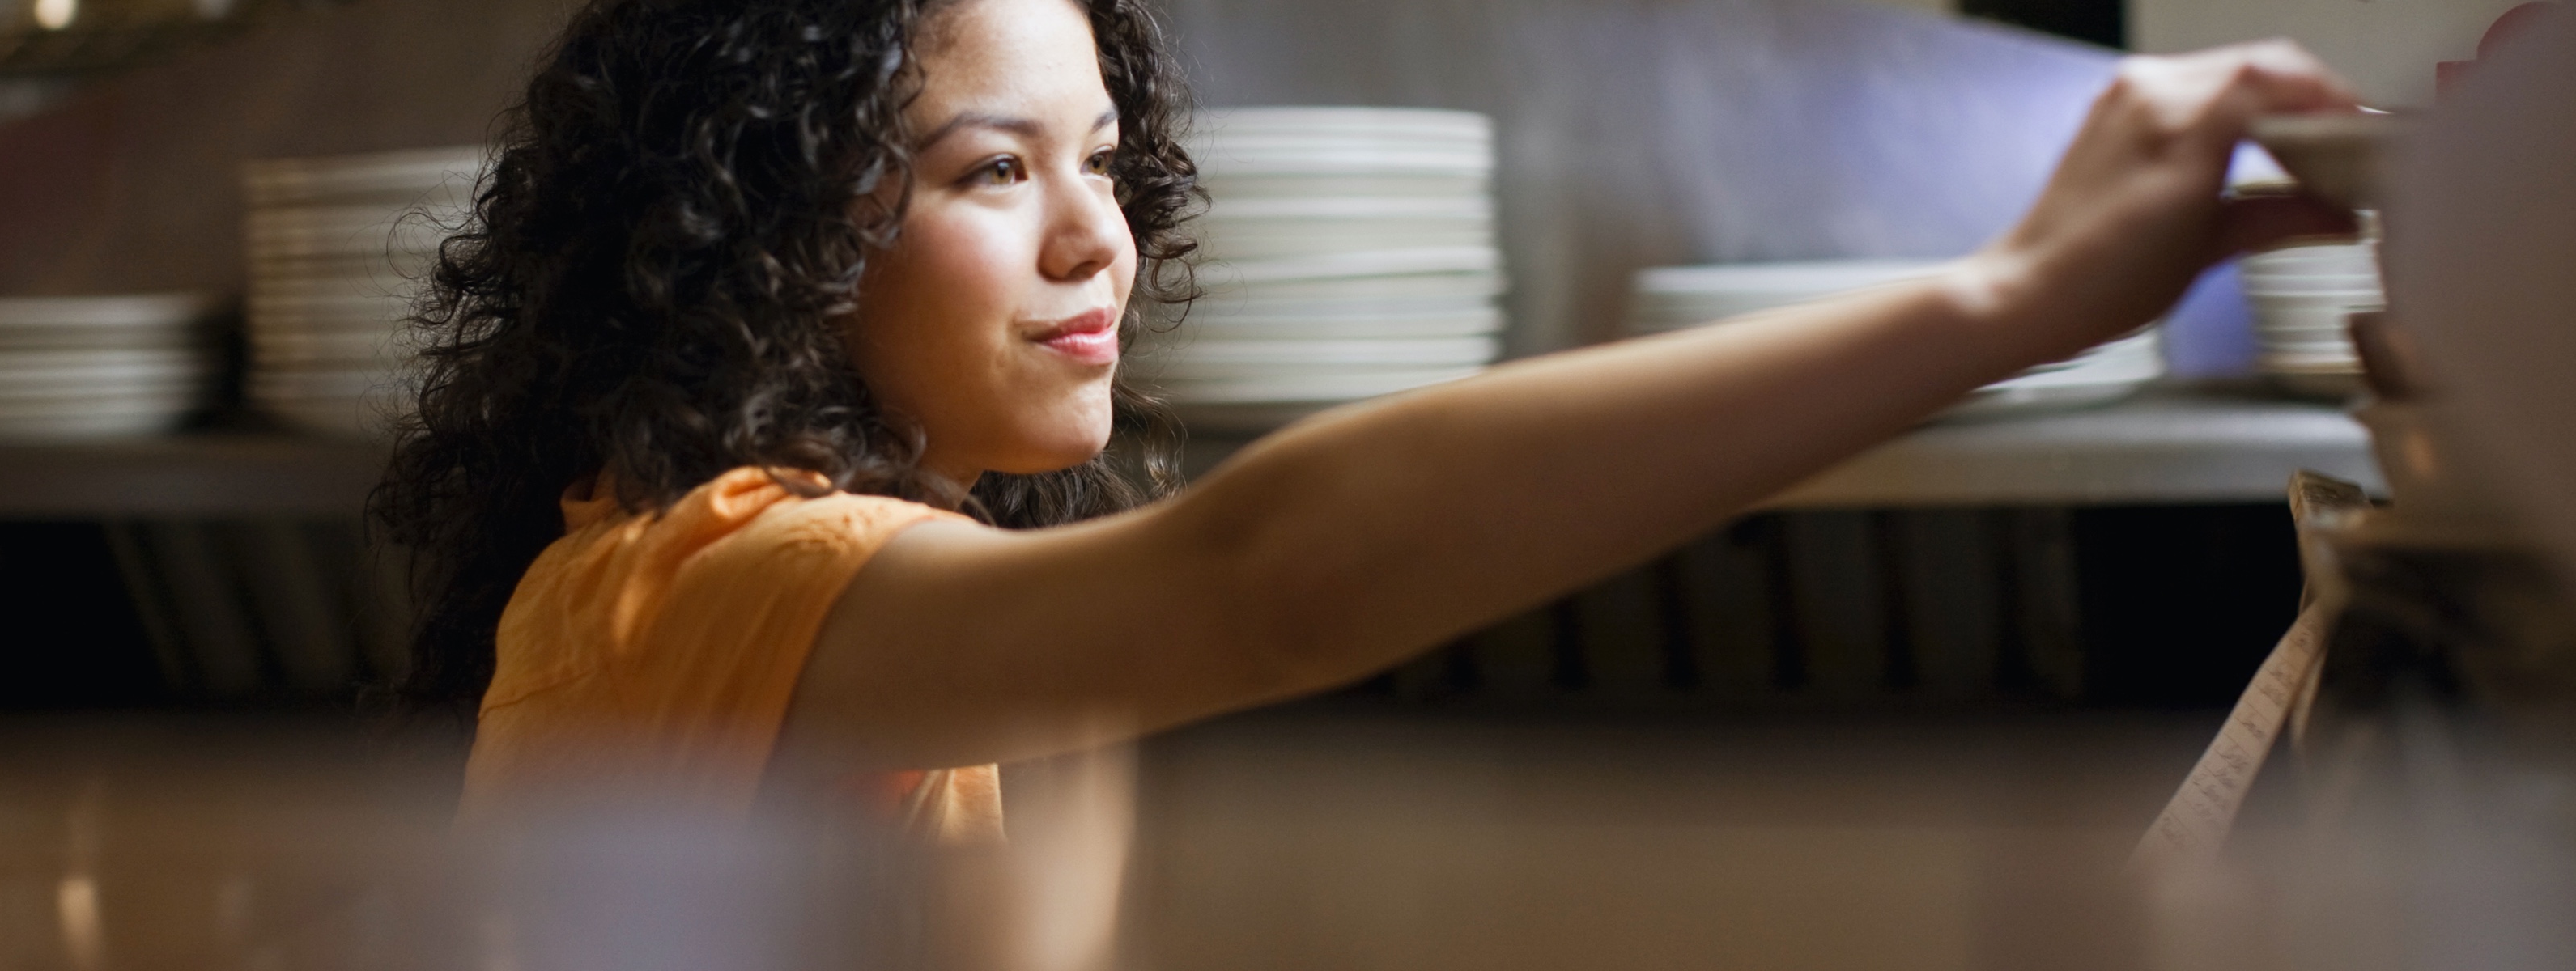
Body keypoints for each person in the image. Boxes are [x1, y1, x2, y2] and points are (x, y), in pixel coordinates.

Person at [373, 0, 2359, 833]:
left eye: (1104, 161)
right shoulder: (700, 585)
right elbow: (1276, 578)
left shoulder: (842, 602)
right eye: (993, 173)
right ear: (765, 222)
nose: (1102, 241)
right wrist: (2002, 305)